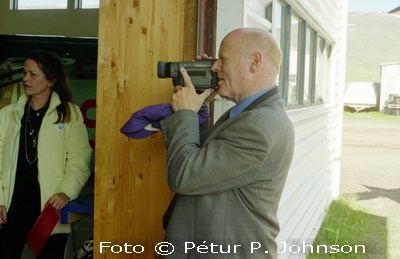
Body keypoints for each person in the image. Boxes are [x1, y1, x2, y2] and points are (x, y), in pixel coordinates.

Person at [159, 27, 295, 258]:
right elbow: (207, 163)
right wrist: (199, 105)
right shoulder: (250, 114)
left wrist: (185, 113)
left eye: (224, 58)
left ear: (254, 62)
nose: (214, 66)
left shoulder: (257, 126)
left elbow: (185, 175)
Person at [0, 50, 92, 258]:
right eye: (25, 73)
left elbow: (79, 161)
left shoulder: (69, 113)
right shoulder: (8, 114)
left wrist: (66, 192)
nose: (25, 79)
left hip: (49, 211)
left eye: (33, 74)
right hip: (10, 209)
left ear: (51, 80)